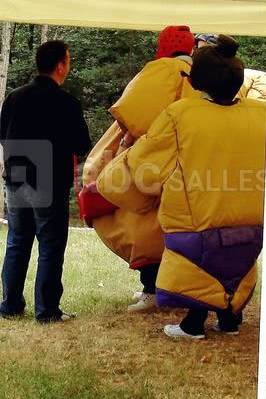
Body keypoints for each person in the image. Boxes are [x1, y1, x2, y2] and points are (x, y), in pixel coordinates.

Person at [100, 36, 266, 338]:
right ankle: (231, 319)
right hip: (250, 217)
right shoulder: (263, 116)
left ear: (196, 80)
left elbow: (146, 164)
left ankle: (193, 323)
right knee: (237, 263)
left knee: (198, 267)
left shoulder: (181, 114)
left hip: (198, 217)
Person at [80, 25, 198, 313]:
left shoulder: (161, 70)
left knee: (142, 224)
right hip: (192, 160)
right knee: (183, 225)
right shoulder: (202, 74)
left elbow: (134, 112)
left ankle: (153, 289)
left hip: (154, 159)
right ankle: (177, 289)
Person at [0, 39, 92, 323]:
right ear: (61, 66)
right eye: (69, 60)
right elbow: (81, 144)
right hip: (49, 182)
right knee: (50, 245)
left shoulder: (14, 97)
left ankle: (11, 305)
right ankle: (47, 310)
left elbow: (3, 136)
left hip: (16, 178)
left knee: (17, 241)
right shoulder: (66, 102)